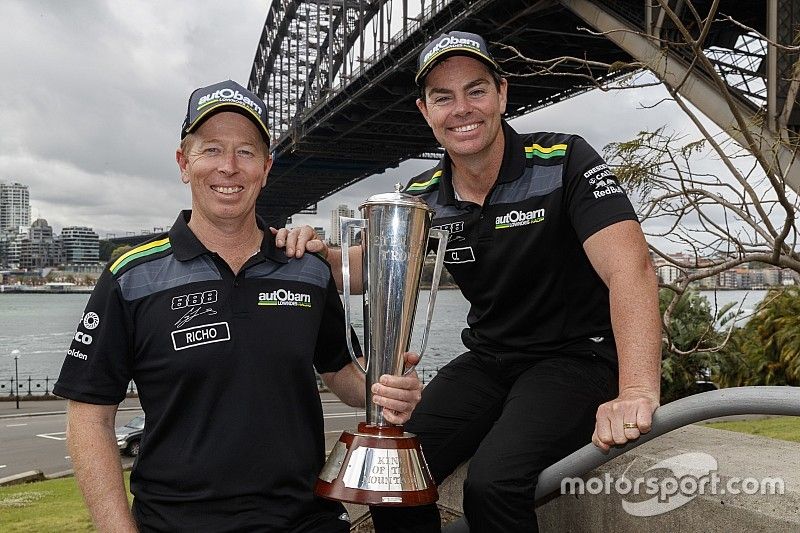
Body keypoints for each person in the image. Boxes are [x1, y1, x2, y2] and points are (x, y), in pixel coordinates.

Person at [276, 30, 662, 532]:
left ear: (502, 94)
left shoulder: (565, 161)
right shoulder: (425, 196)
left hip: (575, 357)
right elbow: (364, 268)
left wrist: (635, 389)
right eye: (443, 97)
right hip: (490, 359)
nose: (462, 109)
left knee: (494, 483)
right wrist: (314, 250)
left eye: (476, 90)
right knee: (393, 478)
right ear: (425, 111)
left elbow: (630, 270)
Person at [54, 79, 423, 533]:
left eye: (246, 152)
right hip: (177, 524)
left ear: (266, 168)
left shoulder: (306, 269)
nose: (228, 167)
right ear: (183, 163)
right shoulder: (131, 276)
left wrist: (385, 387)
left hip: (303, 521)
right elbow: (89, 415)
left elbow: (341, 374)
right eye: (211, 149)